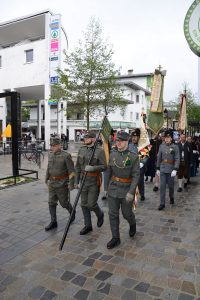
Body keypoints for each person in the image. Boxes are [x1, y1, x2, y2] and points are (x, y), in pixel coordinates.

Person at [106, 131, 140, 249]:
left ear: (127, 142)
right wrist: (106, 188)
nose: (118, 143)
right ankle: (115, 237)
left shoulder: (133, 156)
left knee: (126, 214)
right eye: (117, 141)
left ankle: (132, 223)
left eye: (121, 141)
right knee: (112, 214)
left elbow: (136, 176)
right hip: (113, 188)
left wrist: (131, 192)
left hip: (126, 190)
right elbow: (108, 172)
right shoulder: (113, 154)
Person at [75, 131, 107, 235]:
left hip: (94, 181)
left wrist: (93, 168)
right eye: (84, 138)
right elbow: (77, 167)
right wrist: (76, 181)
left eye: (87, 138)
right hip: (83, 180)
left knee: (91, 204)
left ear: (93, 139)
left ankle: (100, 214)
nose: (84, 140)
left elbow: (104, 166)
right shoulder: (81, 149)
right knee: (83, 204)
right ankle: (87, 225)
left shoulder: (99, 151)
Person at [45, 136, 76, 231]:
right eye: (51, 146)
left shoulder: (66, 156)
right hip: (52, 183)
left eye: (54, 146)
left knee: (64, 203)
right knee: (51, 202)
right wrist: (46, 178)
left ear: (59, 145)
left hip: (62, 184)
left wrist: (71, 184)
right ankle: (53, 222)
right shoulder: (50, 154)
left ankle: (72, 212)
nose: (52, 147)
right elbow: (48, 167)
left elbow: (72, 172)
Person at [156, 130, 180, 210]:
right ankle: (162, 203)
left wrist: (175, 169)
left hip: (171, 169)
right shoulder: (161, 146)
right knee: (162, 186)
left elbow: (177, 158)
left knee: (171, 186)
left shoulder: (175, 147)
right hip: (163, 168)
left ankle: (171, 196)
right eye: (165, 137)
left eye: (168, 137)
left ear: (171, 138)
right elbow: (159, 157)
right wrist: (157, 168)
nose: (166, 139)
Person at [129, 128, 149, 201]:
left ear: (138, 137)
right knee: (132, 182)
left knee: (140, 182)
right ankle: (132, 194)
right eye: (132, 137)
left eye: (135, 137)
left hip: (140, 167)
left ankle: (142, 194)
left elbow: (146, 156)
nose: (133, 138)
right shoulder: (129, 145)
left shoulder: (142, 146)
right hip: (131, 167)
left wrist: (142, 163)